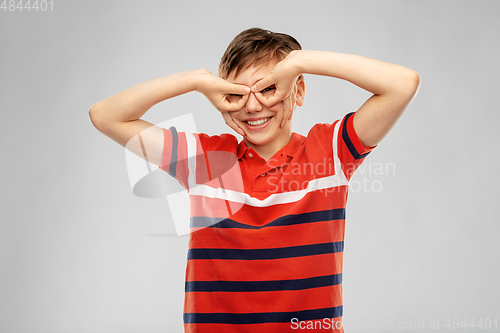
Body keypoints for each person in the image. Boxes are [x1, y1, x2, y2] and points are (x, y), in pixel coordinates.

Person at [89, 27, 420, 333]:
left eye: (268, 89)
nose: (253, 105)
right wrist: (195, 80)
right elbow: (105, 115)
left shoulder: (328, 153)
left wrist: (301, 61)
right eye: (236, 94)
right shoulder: (205, 160)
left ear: (298, 90)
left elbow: (403, 83)